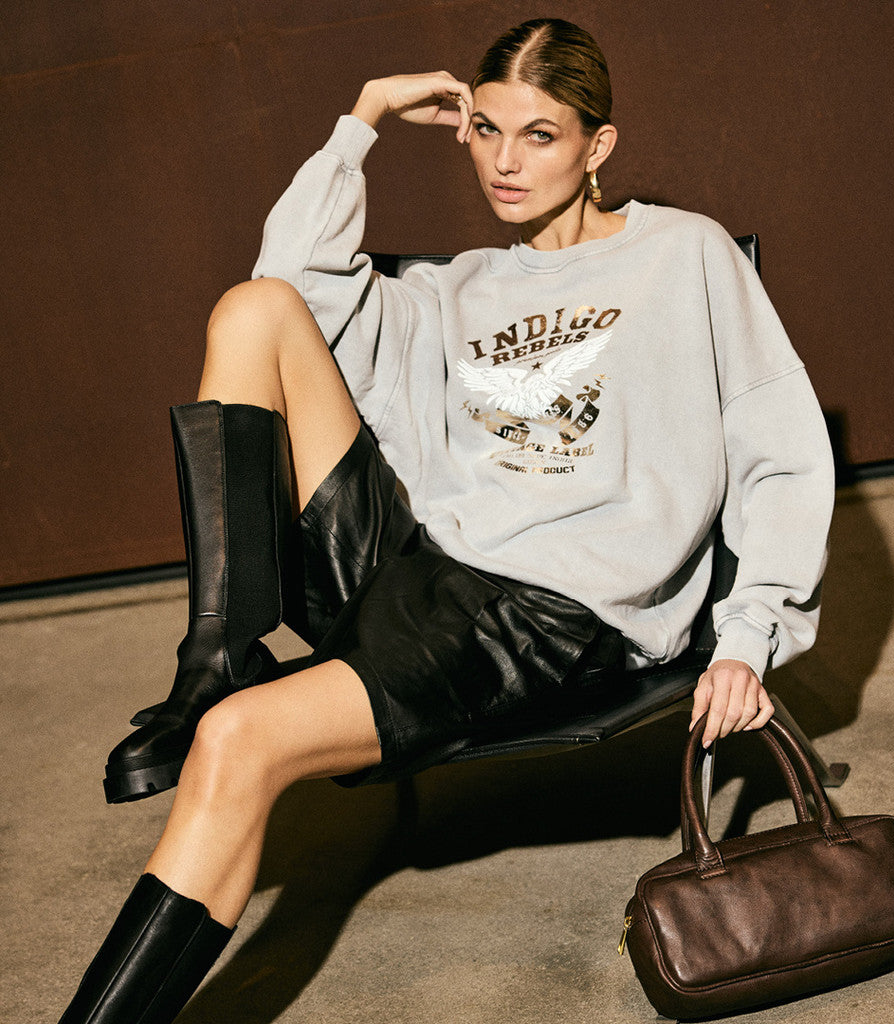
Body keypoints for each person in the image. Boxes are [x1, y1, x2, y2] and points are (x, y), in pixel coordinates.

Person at [57, 17, 834, 1023]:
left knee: (239, 742)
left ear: (597, 145)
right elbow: (284, 279)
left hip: (543, 611)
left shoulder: (684, 255)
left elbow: (778, 448)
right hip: (421, 570)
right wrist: (364, 118)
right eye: (487, 130)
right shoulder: (454, 288)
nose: (505, 162)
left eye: (540, 135)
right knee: (252, 310)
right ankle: (211, 655)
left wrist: (747, 632)